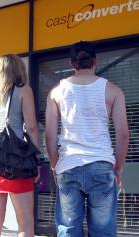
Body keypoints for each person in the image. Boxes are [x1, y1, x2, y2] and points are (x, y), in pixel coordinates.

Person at [45, 41, 129, 236]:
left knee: (68, 230)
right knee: (102, 231)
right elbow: (123, 134)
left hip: (68, 166)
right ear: (95, 61)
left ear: (72, 63)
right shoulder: (113, 90)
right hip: (101, 166)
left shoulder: (56, 92)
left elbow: (50, 135)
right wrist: (118, 168)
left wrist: (55, 165)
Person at [0, 54, 39, 237]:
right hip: (17, 161)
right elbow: (31, 127)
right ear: (19, 69)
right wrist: (36, 159)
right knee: (25, 222)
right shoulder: (24, 90)